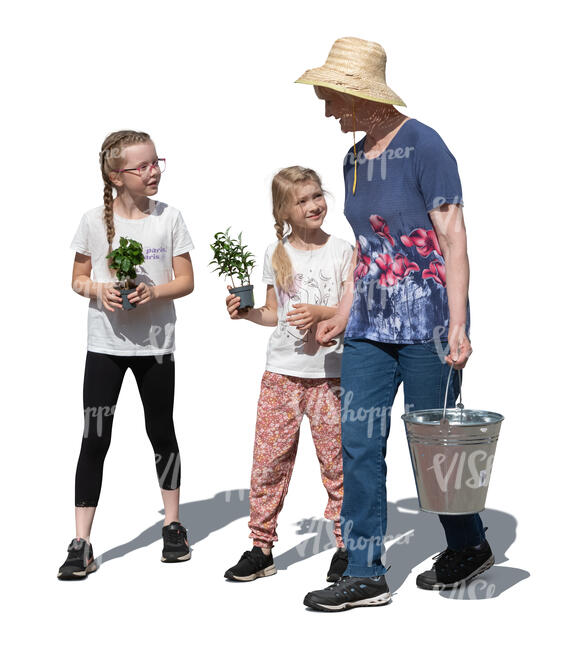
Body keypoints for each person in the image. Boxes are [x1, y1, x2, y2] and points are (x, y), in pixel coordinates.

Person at [295, 37, 494, 611]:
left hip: (429, 326)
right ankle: (364, 570)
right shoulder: (354, 158)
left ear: (361, 95)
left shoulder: (425, 145)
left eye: (332, 97)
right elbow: (366, 249)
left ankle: (469, 542)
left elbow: (453, 236)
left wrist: (459, 324)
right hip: (368, 328)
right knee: (359, 443)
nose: (328, 109)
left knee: (433, 446)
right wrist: (341, 312)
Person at [58, 130, 195, 579]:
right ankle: (81, 542)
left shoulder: (169, 218)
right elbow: (77, 278)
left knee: (161, 429)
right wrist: (99, 289)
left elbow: (186, 280)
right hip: (106, 347)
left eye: (157, 162)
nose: (153, 171)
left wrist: (152, 292)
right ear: (116, 176)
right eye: (143, 166)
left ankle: (173, 525)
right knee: (94, 437)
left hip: (156, 346)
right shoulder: (92, 221)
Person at [223, 166, 355, 582]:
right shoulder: (276, 253)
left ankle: (347, 544)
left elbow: (355, 313)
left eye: (318, 195)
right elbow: (274, 313)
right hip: (281, 372)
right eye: (302, 200)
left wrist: (322, 313)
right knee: (269, 462)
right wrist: (247, 314)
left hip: (330, 374)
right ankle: (261, 547)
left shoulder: (343, 251)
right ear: (284, 210)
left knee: (338, 464)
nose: (314, 205)